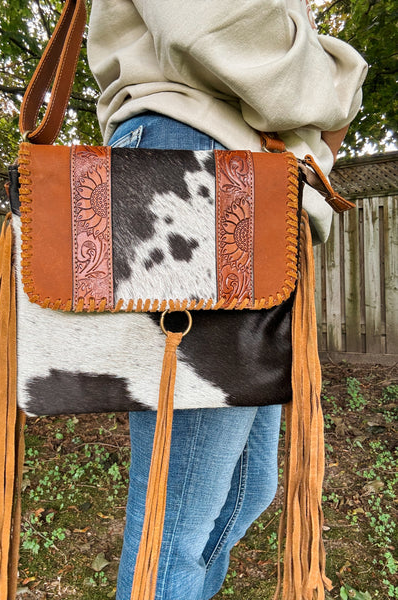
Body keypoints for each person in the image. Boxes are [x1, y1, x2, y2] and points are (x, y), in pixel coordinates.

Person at [87, 2, 367, 598]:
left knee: (248, 488)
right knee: (179, 516)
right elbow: (229, 31)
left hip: (243, 186)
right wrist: (340, 80)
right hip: (196, 175)